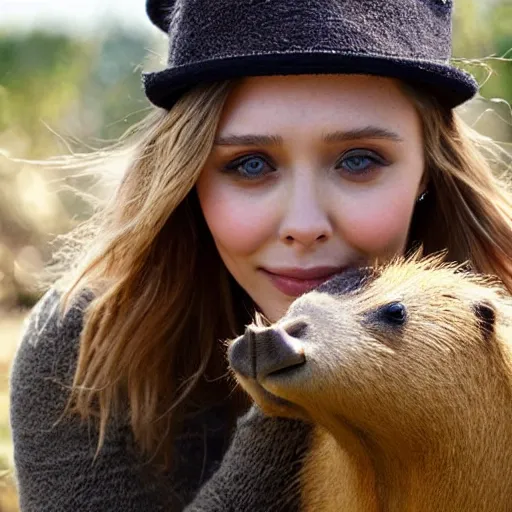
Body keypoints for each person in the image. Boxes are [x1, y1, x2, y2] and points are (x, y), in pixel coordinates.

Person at [9, 0, 512, 510]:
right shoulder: (86, 350)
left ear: (427, 167)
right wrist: (295, 389)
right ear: (189, 178)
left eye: (359, 160)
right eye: (250, 165)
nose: (304, 225)